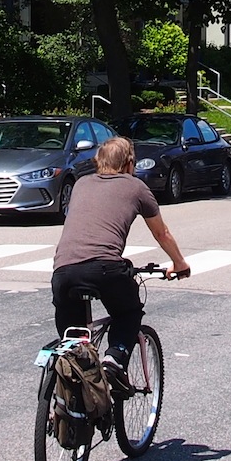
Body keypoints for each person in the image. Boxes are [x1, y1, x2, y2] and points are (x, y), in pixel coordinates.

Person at [51, 136, 191, 373]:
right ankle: (114, 359)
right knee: (128, 312)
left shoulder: (81, 184)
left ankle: (69, 402)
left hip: (63, 271)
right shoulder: (135, 186)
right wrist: (179, 263)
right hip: (106, 269)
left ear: (98, 162)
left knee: (72, 343)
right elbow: (162, 234)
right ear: (129, 163)